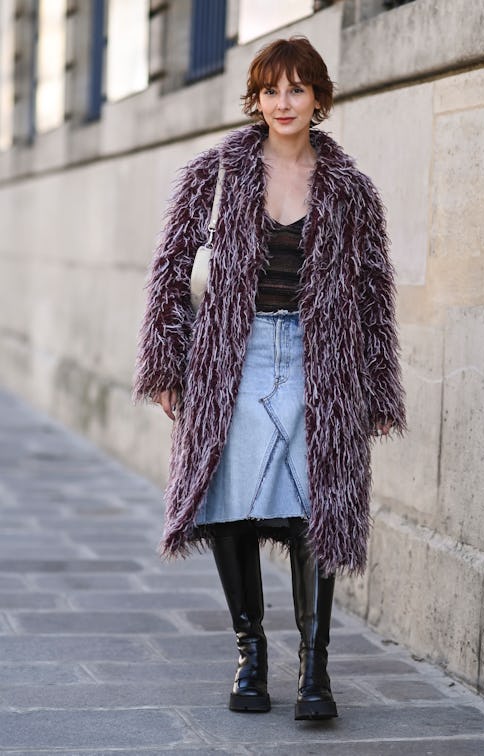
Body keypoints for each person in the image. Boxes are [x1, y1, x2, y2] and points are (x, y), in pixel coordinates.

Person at [133, 36, 406, 721]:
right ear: (254, 99)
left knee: (315, 500)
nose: (282, 103)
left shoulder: (351, 190)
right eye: (270, 90)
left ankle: (316, 670)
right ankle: (250, 653)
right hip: (235, 352)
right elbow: (169, 269)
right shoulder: (216, 173)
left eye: (297, 89)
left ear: (318, 98)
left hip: (323, 356)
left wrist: (376, 383)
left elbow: (374, 291)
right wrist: (167, 360)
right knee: (228, 495)